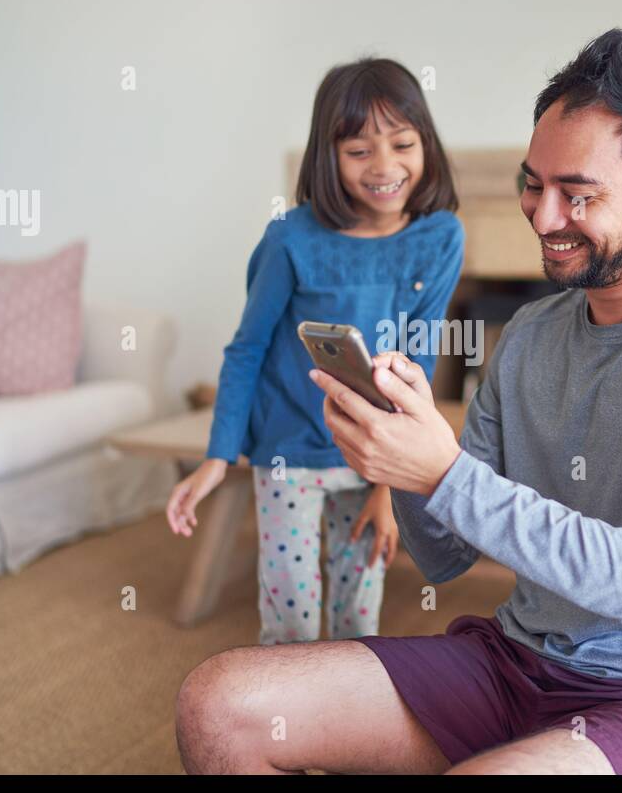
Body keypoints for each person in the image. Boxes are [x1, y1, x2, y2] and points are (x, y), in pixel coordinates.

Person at [175, 29, 622, 775]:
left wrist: (444, 474)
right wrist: (401, 461)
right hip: (516, 662)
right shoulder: (531, 333)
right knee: (217, 706)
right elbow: (444, 556)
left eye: (579, 193)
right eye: (533, 184)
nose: (542, 217)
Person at [165, 57, 464, 646]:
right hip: (290, 455)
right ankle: (287, 732)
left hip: (373, 455)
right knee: (292, 623)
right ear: (328, 156)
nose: (384, 167)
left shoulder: (441, 237)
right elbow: (246, 349)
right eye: (359, 151)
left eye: (401, 144)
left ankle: (347, 733)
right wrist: (219, 456)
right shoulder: (289, 239)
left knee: (360, 623)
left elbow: (419, 362)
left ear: (425, 144)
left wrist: (391, 486)